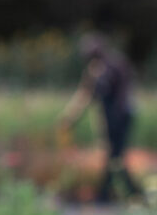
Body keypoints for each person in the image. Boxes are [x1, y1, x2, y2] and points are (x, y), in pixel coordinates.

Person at [60, 34, 141, 203]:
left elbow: (125, 93)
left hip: (122, 117)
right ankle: (124, 193)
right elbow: (85, 97)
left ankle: (113, 194)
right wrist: (70, 118)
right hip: (109, 118)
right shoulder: (93, 70)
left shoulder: (116, 64)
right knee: (113, 157)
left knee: (115, 156)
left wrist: (117, 119)